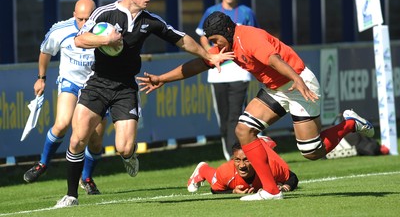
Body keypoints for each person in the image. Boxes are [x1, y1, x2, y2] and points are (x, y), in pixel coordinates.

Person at [137, 11, 375, 201]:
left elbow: (274, 59)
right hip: (276, 88)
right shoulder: (227, 44)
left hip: (297, 83)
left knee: (312, 152)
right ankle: (271, 191)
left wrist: (297, 80)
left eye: (214, 40)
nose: (214, 45)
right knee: (244, 130)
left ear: (226, 31)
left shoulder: (249, 38)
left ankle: (351, 124)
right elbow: (199, 64)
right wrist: (162, 79)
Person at [54, 0, 232, 208]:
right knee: (77, 140)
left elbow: (182, 39)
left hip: (126, 88)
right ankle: (71, 195)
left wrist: (208, 56)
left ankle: (130, 156)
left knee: (123, 148)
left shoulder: (150, 21)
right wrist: (105, 40)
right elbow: (79, 40)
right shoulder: (105, 13)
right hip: (97, 83)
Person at [23, 0, 106, 195]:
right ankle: (43, 164)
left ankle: (85, 178)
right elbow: (45, 52)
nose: (84, 23)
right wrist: (41, 78)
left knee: (95, 140)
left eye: (88, 19)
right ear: (73, 15)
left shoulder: (104, 31)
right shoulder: (60, 29)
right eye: (80, 19)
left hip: (97, 87)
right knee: (62, 123)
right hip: (71, 83)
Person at [196, 0, 258, 161]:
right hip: (218, 73)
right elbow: (201, 36)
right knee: (223, 120)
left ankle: (237, 157)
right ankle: (230, 154)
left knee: (235, 117)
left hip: (240, 72)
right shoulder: (212, 11)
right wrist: (209, 52)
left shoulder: (246, 12)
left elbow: (254, 37)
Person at [187, 136, 298, 194]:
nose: (241, 165)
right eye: (237, 160)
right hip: (227, 175)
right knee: (216, 178)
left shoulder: (270, 167)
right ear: (233, 159)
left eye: (246, 160)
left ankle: (261, 145)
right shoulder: (226, 171)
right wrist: (233, 191)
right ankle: (203, 169)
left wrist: (284, 188)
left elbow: (292, 177)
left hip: (261, 160)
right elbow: (215, 190)